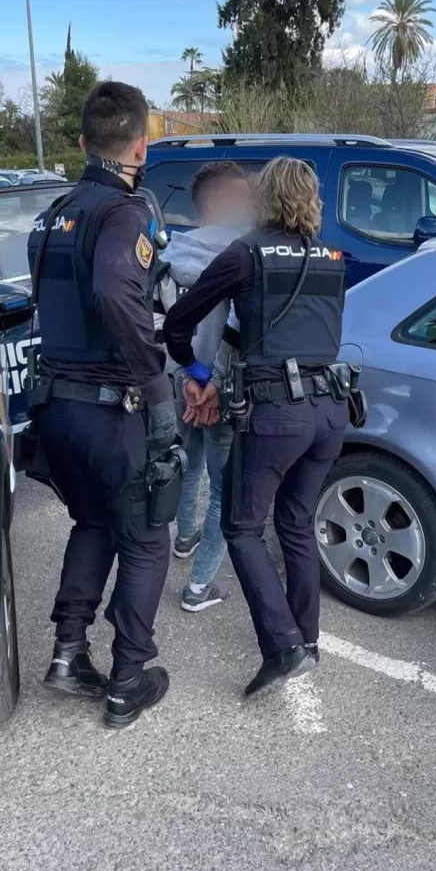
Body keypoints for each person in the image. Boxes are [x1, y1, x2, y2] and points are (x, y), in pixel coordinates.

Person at [163, 157, 348, 697]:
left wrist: (199, 372)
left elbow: (181, 322)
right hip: (330, 409)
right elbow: (296, 336)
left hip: (276, 414)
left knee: (243, 527)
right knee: (295, 522)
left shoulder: (245, 252)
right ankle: (306, 639)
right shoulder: (334, 256)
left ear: (262, 198)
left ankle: (283, 646)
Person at [27, 81, 175, 727]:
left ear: (84, 143)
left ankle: (68, 653)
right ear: (140, 146)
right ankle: (127, 679)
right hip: (111, 409)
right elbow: (117, 293)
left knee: (93, 522)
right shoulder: (125, 213)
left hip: (56, 407)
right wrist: (157, 383)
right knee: (147, 538)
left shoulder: (53, 214)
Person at [159, 161, 252, 612]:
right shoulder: (244, 255)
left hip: (180, 381)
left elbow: (159, 326)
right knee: (224, 489)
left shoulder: (168, 257)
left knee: (188, 461)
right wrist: (211, 381)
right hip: (224, 387)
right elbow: (241, 327)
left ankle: (184, 539)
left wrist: (189, 378)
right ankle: (199, 587)